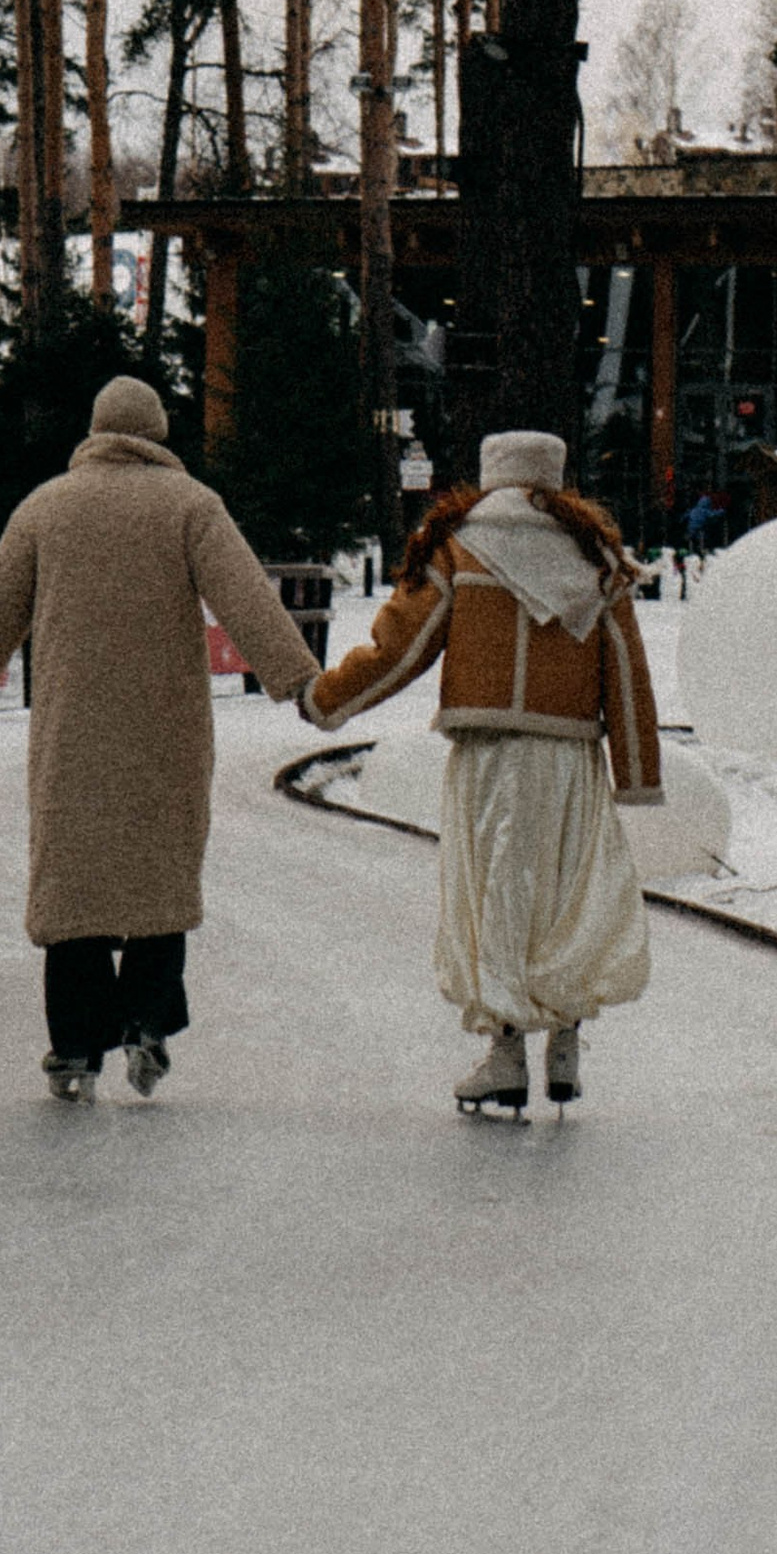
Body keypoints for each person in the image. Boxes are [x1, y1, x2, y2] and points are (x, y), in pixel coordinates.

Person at [0, 374, 318, 1101]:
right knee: (156, 884)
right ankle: (147, 1024)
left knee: (74, 890)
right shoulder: (192, 507)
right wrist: (297, 680)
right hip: (166, 731)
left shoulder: (46, 507)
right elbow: (246, 598)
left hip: (72, 732)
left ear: (96, 429)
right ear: (157, 433)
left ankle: (74, 1048)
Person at [302, 430, 662, 1117]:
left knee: (495, 894)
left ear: (489, 475)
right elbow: (626, 670)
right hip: (568, 759)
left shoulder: (457, 549)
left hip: (490, 755)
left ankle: (503, 1055)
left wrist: (327, 701)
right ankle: (564, 1041)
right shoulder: (595, 559)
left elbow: (398, 651)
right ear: (554, 479)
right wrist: (638, 771)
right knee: (564, 898)